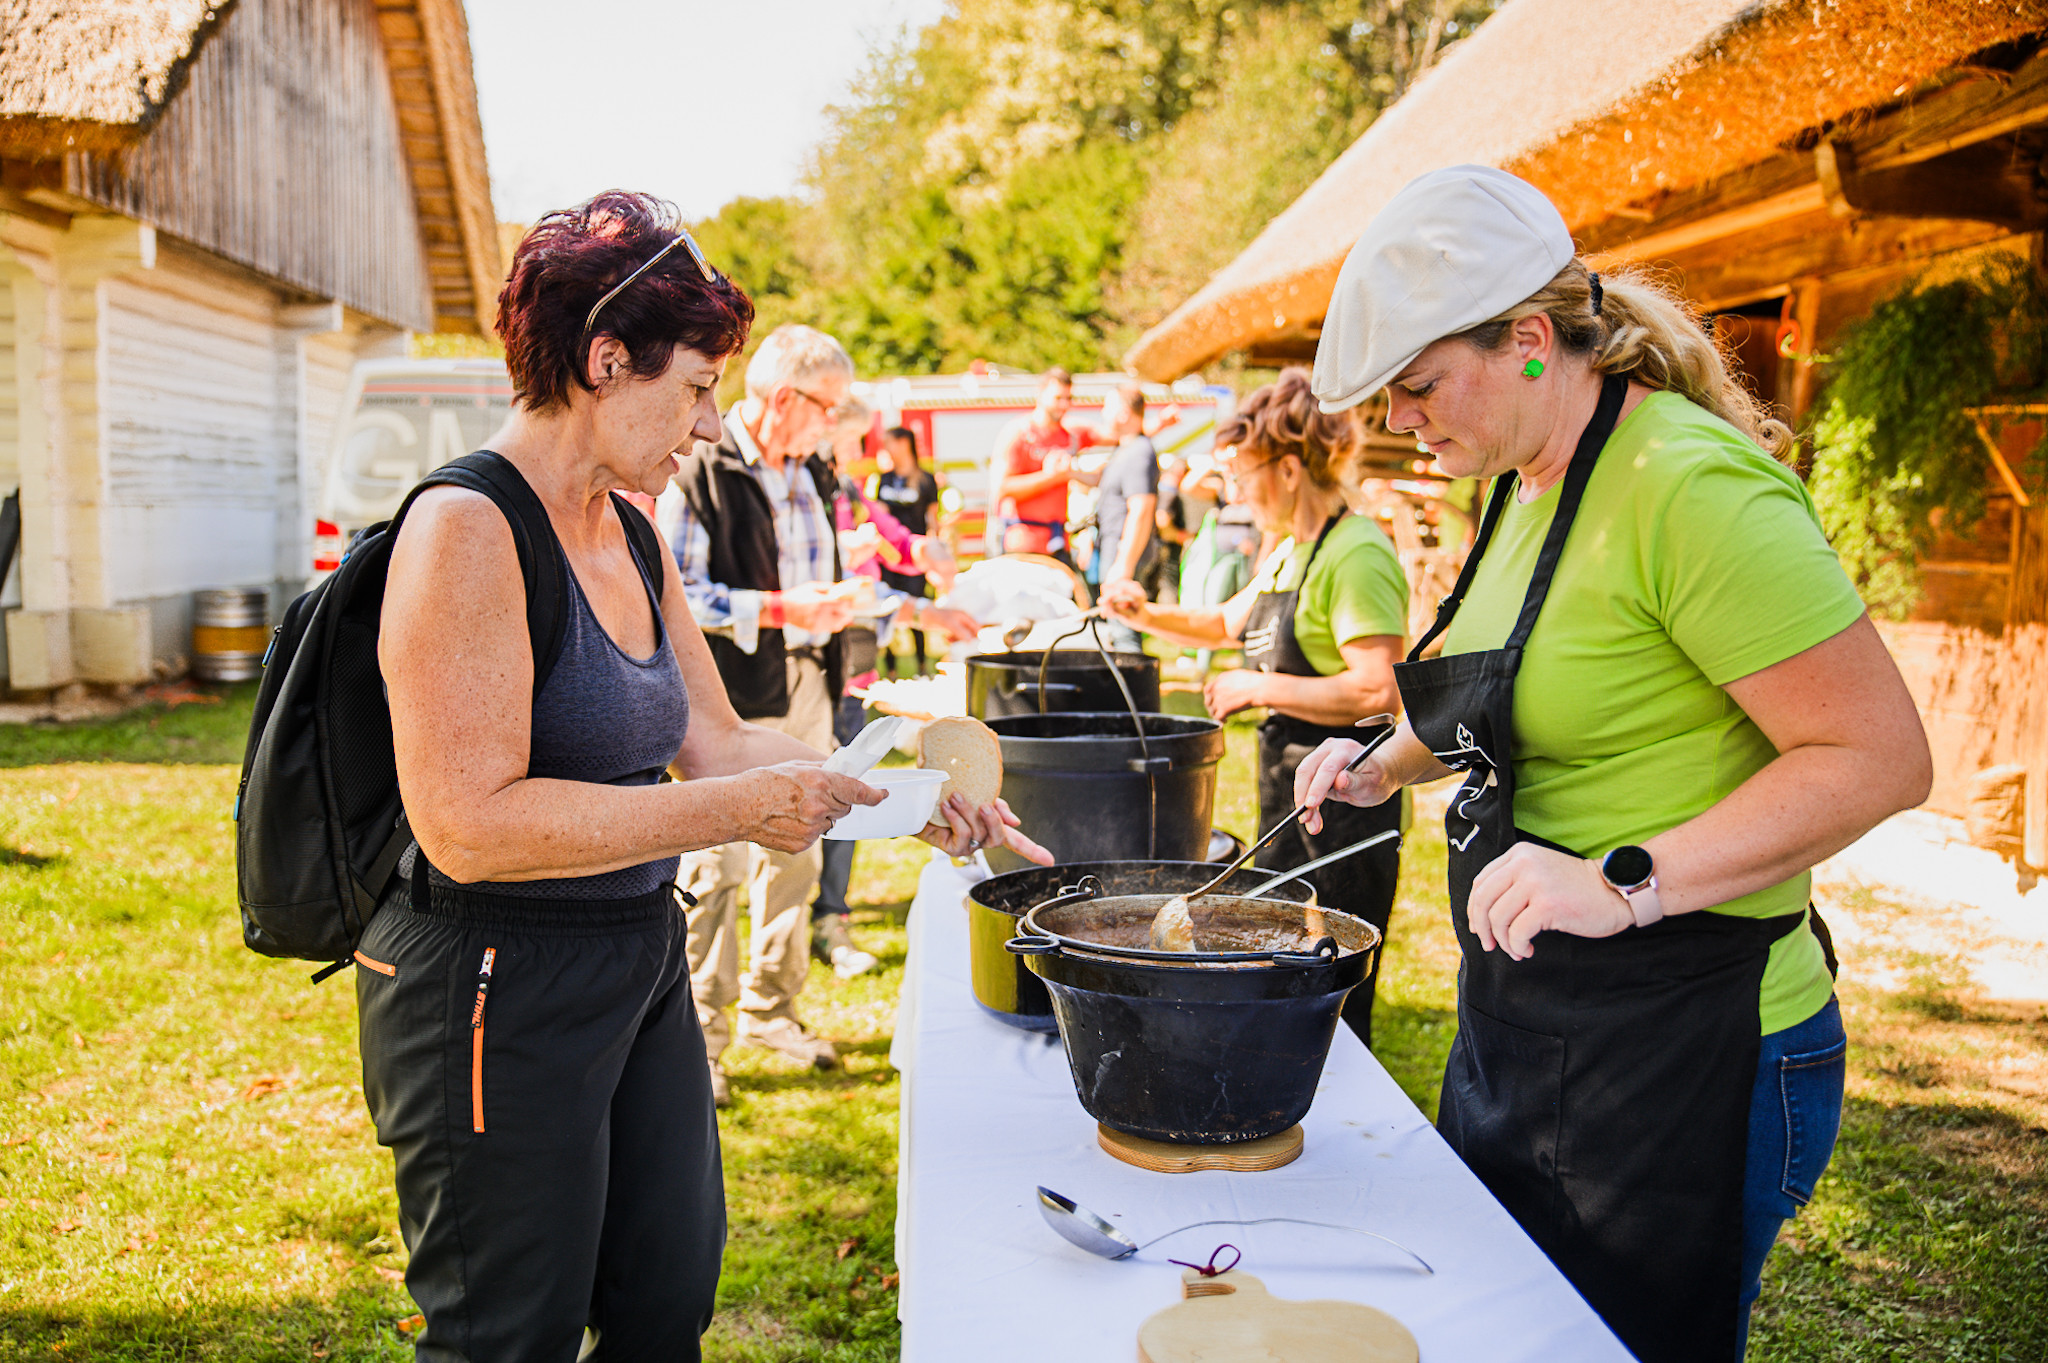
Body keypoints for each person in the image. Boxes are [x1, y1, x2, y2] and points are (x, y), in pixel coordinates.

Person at [362, 192, 1033, 1361]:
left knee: (664, 1297)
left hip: (634, 951)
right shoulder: (468, 528)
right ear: (602, 358)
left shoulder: (627, 525)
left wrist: (903, 793)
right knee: (504, 1333)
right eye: (697, 386)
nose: (712, 422)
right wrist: (728, 813)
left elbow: (719, 740)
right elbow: (466, 824)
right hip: (489, 981)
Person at [1294, 166, 1931, 1363]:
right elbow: (1523, 683)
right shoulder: (1524, 481)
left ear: (1528, 342)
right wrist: (1382, 763)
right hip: (1538, 1020)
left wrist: (1625, 878)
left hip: (1693, 1041)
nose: (1399, 423)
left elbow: (1879, 757)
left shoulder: (1684, 485)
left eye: (1419, 386)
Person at [664, 324, 1037, 1106]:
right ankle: (702, 1038)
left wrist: (917, 612)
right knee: (719, 868)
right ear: (787, 397)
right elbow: (674, 596)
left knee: (797, 857)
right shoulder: (698, 465)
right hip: (728, 699)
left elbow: (845, 586)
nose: (838, 425)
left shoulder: (816, 472)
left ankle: (774, 1008)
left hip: (808, 686)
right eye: (830, 408)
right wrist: (779, 607)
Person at [1101, 368, 1409, 1045]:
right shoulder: (1290, 549)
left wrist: (1259, 687)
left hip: (1351, 799)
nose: (1237, 489)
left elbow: (1378, 689)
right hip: (1291, 790)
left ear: (1291, 468)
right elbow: (1223, 626)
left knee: (1333, 987)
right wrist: (1145, 612)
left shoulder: (1356, 553)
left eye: (1245, 473)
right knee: (1287, 975)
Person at [811, 403, 975, 978]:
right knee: (813, 788)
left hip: (853, 663)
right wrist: (915, 607)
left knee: (845, 787)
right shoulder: (802, 485)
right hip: (809, 668)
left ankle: (831, 914)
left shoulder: (846, 486)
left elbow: (890, 535)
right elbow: (834, 585)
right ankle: (810, 917)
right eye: (849, 440)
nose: (856, 453)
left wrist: (919, 550)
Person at [989, 367, 1107, 564]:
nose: (1064, 405)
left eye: (1068, 398)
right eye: (1058, 398)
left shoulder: (1071, 434)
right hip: (1023, 544)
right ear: (1040, 394)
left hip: (1058, 542)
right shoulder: (1018, 433)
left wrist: (1160, 424)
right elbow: (1002, 489)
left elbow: (1118, 432)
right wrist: (1052, 476)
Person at [1090, 383, 1164, 655]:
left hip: (1124, 556)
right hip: (1113, 551)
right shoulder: (1126, 449)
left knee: (1124, 633)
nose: (1102, 413)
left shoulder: (1139, 451)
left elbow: (1142, 509)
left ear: (1123, 412)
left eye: (1107, 407)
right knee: (1115, 630)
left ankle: (1132, 695)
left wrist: (1124, 565)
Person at [871, 425, 943, 676]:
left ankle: (923, 666)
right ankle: (889, 670)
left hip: (915, 557)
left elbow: (933, 520)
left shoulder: (925, 479)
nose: (885, 448)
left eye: (889, 443)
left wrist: (938, 554)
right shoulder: (885, 479)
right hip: (888, 557)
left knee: (917, 608)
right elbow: (879, 516)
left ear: (903, 444)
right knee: (888, 608)